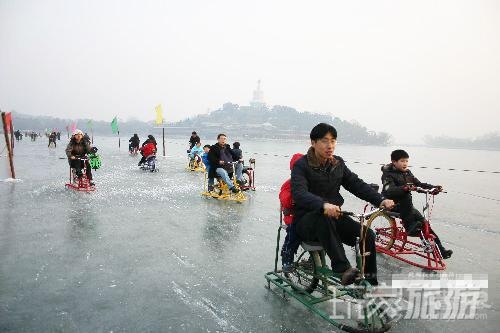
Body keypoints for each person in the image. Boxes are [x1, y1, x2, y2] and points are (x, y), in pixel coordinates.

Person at [291, 123, 395, 286]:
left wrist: (380, 199)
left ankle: (370, 281)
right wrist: (323, 205)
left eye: (333, 141)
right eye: (325, 141)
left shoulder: (338, 164)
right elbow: (299, 193)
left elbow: (356, 184)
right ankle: (342, 269)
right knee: (322, 218)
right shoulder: (302, 165)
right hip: (307, 221)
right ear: (313, 142)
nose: (330, 146)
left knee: (367, 235)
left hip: (334, 217)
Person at [381, 149, 453, 259]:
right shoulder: (388, 175)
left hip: (406, 206)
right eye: (402, 161)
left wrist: (433, 188)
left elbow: (418, 184)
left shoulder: (407, 173)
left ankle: (440, 250)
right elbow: (389, 190)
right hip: (391, 204)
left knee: (425, 224)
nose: (405, 163)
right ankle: (410, 227)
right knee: (406, 197)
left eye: (406, 161)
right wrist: (405, 188)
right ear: (394, 162)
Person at [279, 153, 304, 273]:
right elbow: (285, 200)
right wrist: (293, 198)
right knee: (294, 230)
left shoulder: (310, 181)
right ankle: (287, 255)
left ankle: (313, 260)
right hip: (292, 216)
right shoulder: (289, 184)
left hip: (308, 216)